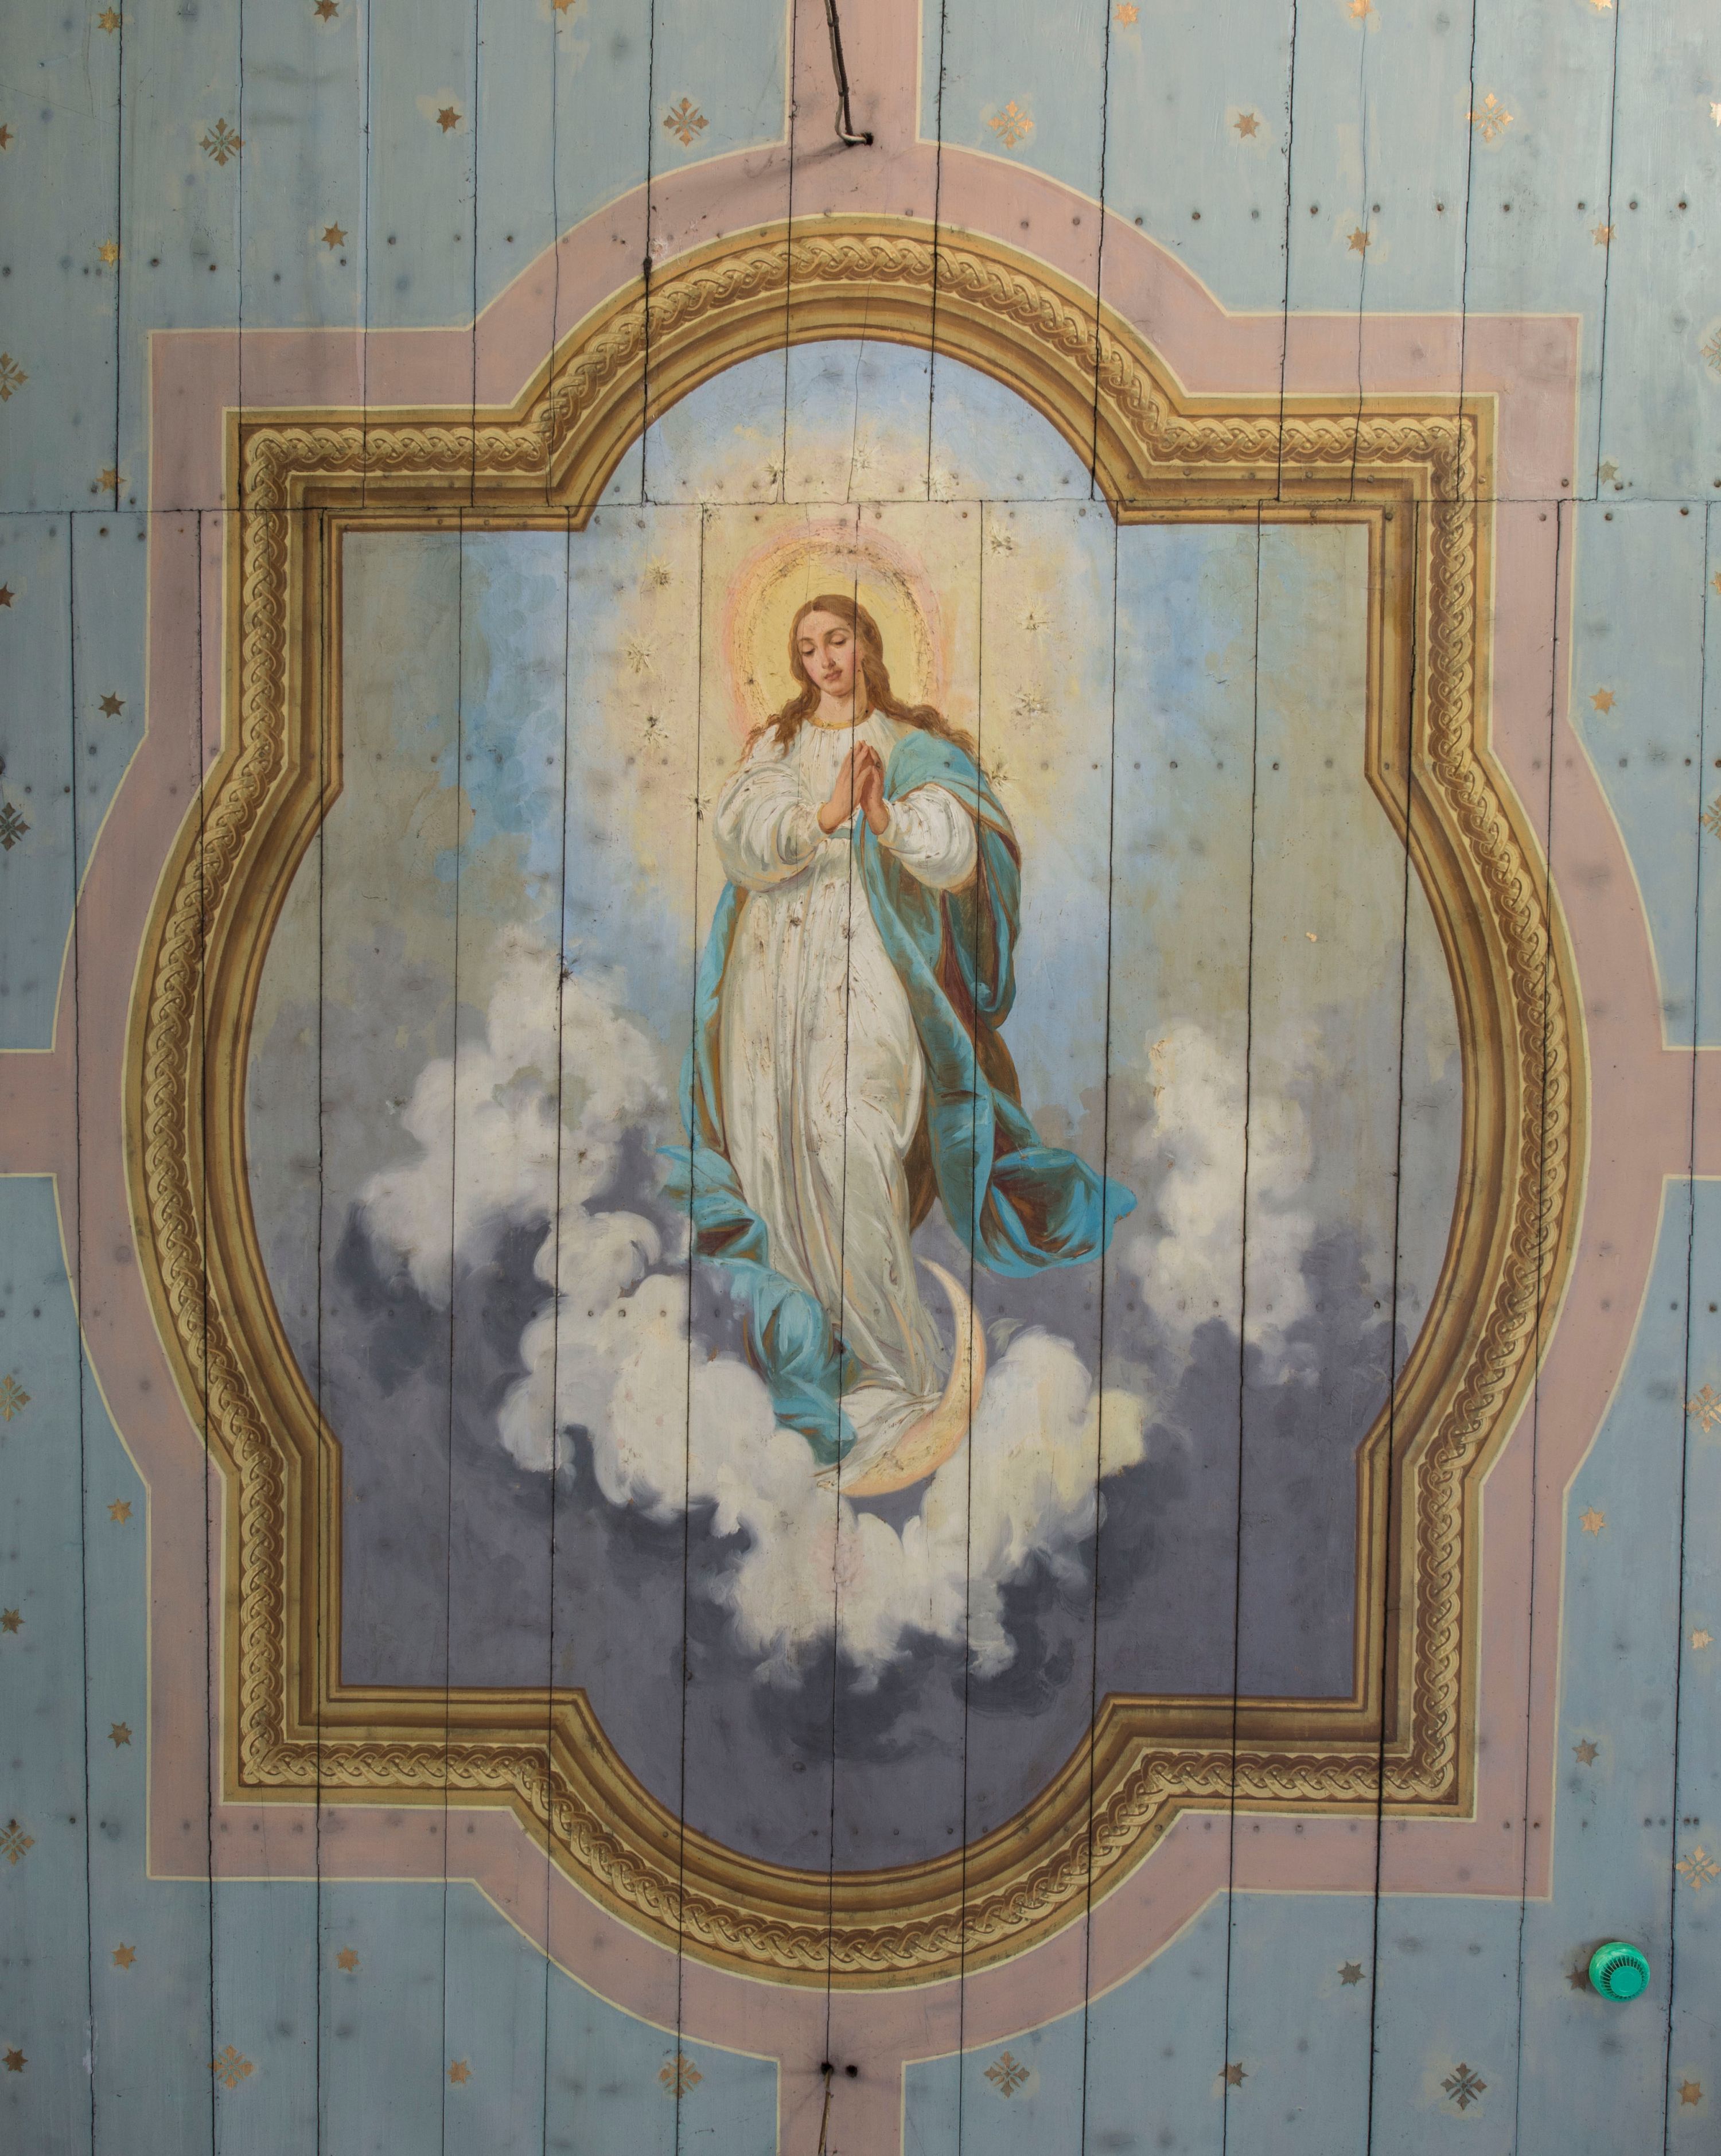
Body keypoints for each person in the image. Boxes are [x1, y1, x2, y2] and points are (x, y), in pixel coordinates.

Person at [663, 592, 1132, 1480]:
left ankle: (902, 1371)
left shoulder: (911, 748)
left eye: (837, 640)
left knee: (848, 1140)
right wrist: (824, 813)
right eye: (808, 647)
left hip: (868, 976)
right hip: (770, 991)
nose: (824, 660)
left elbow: (961, 848)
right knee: (775, 1159)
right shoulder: (776, 747)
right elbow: (738, 835)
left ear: (868, 645)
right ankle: (821, 1371)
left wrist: (883, 818)